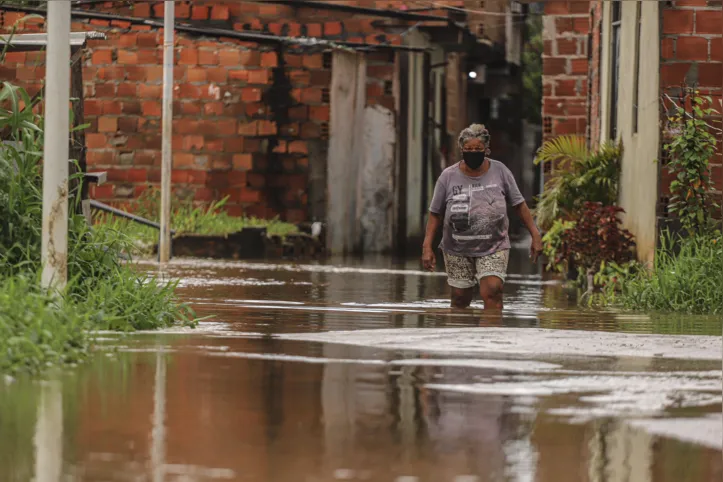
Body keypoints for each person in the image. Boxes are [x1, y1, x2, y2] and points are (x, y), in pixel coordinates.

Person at [421, 124, 542, 310]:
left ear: (487, 150)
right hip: (457, 248)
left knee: (493, 290)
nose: (473, 153)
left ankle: (491, 336)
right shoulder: (448, 176)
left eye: (478, 149)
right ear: (461, 150)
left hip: (494, 246)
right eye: (468, 149)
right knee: (460, 299)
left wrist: (535, 234)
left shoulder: (500, 171)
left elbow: (519, 204)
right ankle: (462, 337)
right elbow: (435, 212)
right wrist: (427, 246)